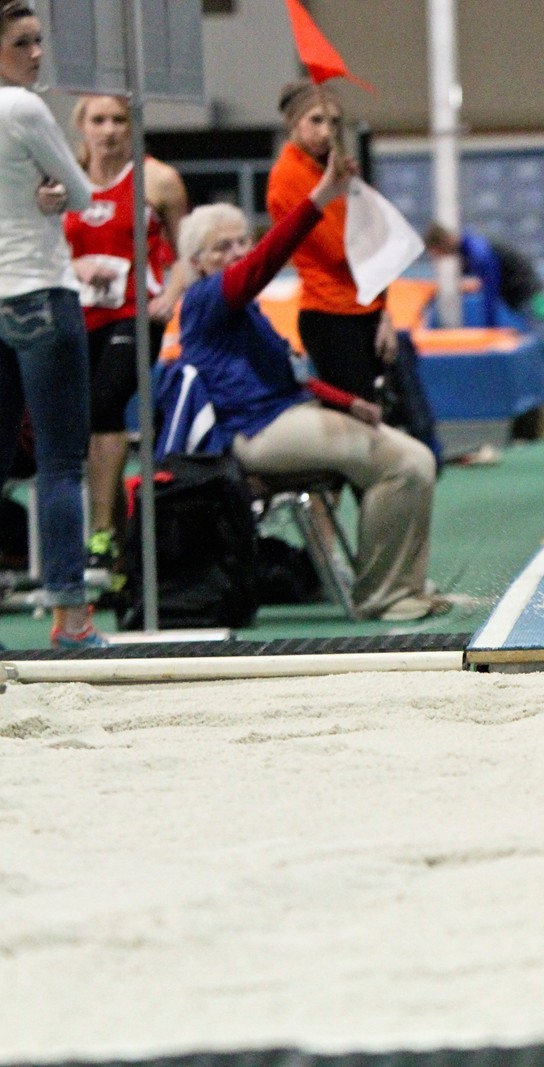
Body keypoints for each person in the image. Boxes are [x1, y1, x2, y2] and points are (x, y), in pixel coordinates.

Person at [176, 156, 449, 622]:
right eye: (222, 247)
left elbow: (293, 374)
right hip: (254, 431)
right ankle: (382, 595)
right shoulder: (206, 299)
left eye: (242, 241)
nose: (238, 252)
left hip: (285, 414)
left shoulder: (247, 312)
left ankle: (406, 585)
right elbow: (265, 262)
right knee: (403, 465)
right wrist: (320, 198)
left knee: (417, 459)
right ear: (197, 263)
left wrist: (348, 402)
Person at [0, 2, 103, 647]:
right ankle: (71, 621)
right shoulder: (24, 109)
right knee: (61, 463)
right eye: (22, 43)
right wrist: (60, 197)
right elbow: (86, 194)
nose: (37, 53)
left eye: (39, 41)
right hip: (39, 292)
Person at [63, 94, 189, 574]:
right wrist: (74, 267)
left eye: (119, 119)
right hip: (77, 317)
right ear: (82, 126)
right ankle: (120, 551)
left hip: (137, 314)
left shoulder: (158, 179)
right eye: (99, 120)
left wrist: (171, 293)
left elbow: (188, 251)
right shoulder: (62, 177)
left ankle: (99, 535)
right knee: (93, 421)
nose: (110, 130)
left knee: (104, 403)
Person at [266, 80, 394, 402]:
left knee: (389, 410)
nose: (327, 132)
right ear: (294, 123)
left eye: (334, 122)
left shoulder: (332, 170)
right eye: (316, 120)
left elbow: (378, 244)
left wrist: (385, 313)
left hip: (366, 307)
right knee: (359, 415)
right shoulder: (289, 177)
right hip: (330, 314)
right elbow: (341, 249)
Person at [422, 224, 544, 434]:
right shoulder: (472, 247)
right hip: (532, 299)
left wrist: (489, 329)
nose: (440, 259)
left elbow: (490, 291)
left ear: (443, 243)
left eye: (438, 253)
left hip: (536, 301)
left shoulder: (478, 249)